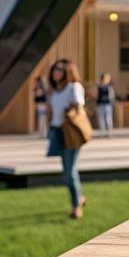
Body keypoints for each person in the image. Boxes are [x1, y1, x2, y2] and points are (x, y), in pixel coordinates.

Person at [45, 58, 87, 219]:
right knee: (66, 172)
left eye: (59, 70)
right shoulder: (55, 90)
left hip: (70, 131)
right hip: (57, 131)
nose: (56, 72)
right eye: (54, 69)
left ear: (66, 73)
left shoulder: (73, 87)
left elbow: (79, 104)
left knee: (69, 172)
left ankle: (76, 205)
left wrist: (69, 109)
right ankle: (79, 198)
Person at [95, 73, 116, 138]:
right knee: (101, 119)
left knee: (108, 118)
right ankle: (102, 132)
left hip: (107, 104)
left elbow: (112, 96)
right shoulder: (99, 87)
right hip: (100, 104)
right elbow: (96, 95)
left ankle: (109, 132)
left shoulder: (110, 87)